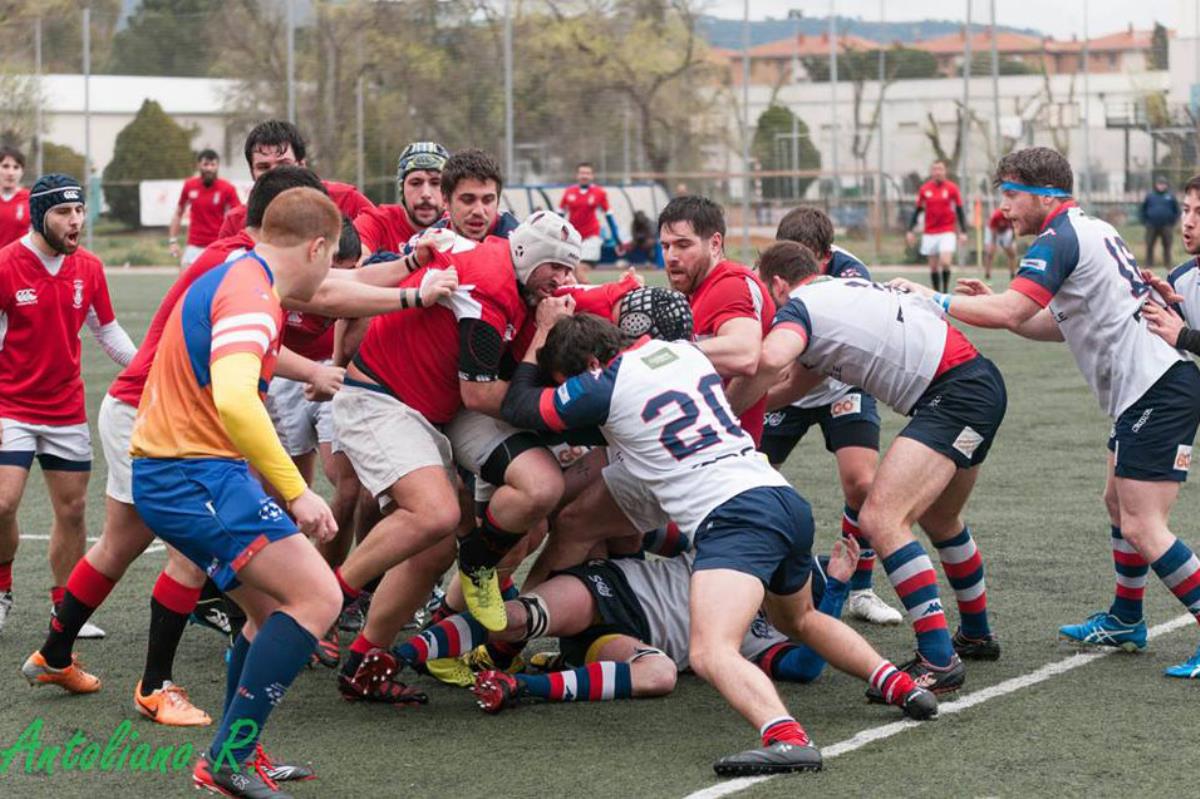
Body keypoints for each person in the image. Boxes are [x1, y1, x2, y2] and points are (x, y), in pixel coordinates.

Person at [496, 300, 937, 776]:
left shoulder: (604, 383)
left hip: (734, 514)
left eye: (569, 379)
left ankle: (786, 737)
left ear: (590, 365)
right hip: (778, 495)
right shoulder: (683, 352)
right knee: (802, 619)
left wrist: (540, 334)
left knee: (709, 650)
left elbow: (519, 406)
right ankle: (899, 686)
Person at [895, 146, 1200, 680]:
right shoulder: (1089, 229)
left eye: (1011, 195)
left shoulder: (1060, 236)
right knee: (1116, 502)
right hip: (1148, 389)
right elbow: (1046, 322)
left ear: (1045, 195)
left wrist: (933, 298)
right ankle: (1128, 618)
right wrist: (996, 305)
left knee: (1143, 523)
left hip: (1158, 388)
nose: (1005, 209)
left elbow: (1016, 309)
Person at [129, 187, 349, 798]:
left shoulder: (240, 274)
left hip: (184, 472)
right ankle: (228, 758)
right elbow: (232, 398)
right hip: (191, 475)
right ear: (317, 245)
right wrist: (295, 492)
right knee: (318, 598)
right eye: (332, 257)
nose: (330, 270)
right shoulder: (253, 294)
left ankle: (235, 753)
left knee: (268, 614)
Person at [746, 240, 1008, 695]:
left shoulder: (801, 306)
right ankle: (976, 633)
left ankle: (938, 658)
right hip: (978, 385)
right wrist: (732, 408)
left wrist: (713, 379)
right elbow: (792, 385)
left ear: (778, 284)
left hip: (954, 396)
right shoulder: (841, 292)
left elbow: (770, 361)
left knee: (881, 517)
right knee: (941, 518)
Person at [330, 214, 571, 701]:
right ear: (528, 257)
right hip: (384, 399)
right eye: (556, 269)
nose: (563, 281)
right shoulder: (494, 285)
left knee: (442, 544)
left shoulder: (511, 274)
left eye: (570, 270)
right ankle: (319, 604)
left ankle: (362, 661)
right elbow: (479, 393)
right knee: (436, 514)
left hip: (427, 410)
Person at [379, 538, 860, 712]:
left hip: (624, 641)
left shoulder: (765, 638)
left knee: (661, 675)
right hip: (611, 588)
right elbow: (651, 529)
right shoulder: (735, 550)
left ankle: (517, 685)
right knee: (514, 621)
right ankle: (393, 658)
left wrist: (836, 591)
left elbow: (805, 667)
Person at [0, 174, 136, 638]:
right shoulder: (6, 265)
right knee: (2, 502)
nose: (76, 220)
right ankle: (2, 590)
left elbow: (107, 331)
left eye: (79, 211)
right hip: (10, 407)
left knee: (74, 511)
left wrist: (148, 367)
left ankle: (67, 612)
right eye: (64, 212)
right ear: (41, 216)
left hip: (65, 409)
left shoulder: (90, 269)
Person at [765, 205, 901, 626]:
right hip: (787, 381)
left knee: (862, 482)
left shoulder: (852, 275)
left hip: (840, 382)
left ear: (825, 257)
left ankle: (860, 588)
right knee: (744, 475)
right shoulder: (767, 275)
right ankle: (748, 577)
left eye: (811, 260)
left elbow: (830, 353)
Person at [216, 120, 375, 238]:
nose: (274, 174)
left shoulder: (347, 200)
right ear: (252, 173)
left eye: (283, 164)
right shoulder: (236, 222)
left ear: (302, 165)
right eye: (263, 167)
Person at [354, 142, 448, 257]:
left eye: (435, 183)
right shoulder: (378, 221)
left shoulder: (460, 225)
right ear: (401, 189)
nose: (425, 194)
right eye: (415, 183)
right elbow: (355, 265)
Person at [169, 149, 242, 267]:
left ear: (217, 166)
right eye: (205, 164)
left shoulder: (227, 188)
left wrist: (236, 243)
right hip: (194, 246)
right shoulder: (189, 185)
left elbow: (238, 216)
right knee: (185, 282)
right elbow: (178, 213)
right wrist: (173, 241)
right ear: (199, 165)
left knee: (218, 284)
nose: (209, 168)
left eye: (213, 164)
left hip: (218, 246)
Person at [906, 160, 967, 292]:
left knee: (945, 262)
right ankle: (936, 293)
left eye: (940, 169)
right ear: (931, 172)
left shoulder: (952, 188)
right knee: (933, 267)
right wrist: (910, 230)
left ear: (945, 171)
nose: (937, 172)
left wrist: (963, 232)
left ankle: (944, 291)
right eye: (935, 169)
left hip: (947, 230)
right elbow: (918, 211)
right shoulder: (925, 189)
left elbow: (959, 210)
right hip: (930, 232)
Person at [559, 162, 621, 280]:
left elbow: (609, 216)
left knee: (579, 269)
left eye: (587, 173)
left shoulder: (599, 193)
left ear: (592, 176)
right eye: (582, 173)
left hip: (592, 238)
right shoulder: (568, 192)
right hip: (574, 238)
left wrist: (617, 239)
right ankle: (584, 296)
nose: (584, 176)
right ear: (577, 175)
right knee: (572, 274)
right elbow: (559, 216)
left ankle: (593, 297)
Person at [1141, 175, 1180, 269]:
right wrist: (1145, 221)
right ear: (1155, 185)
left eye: (1163, 184)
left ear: (1166, 185)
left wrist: (1173, 221)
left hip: (1166, 225)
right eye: (1159, 184)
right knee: (1149, 245)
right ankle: (1148, 263)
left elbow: (1177, 210)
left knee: (1167, 245)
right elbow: (1143, 209)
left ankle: (1168, 263)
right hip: (1151, 225)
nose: (1161, 186)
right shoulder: (1150, 196)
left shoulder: (1170, 196)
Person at [0, 145, 30, 247]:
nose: (10, 173)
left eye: (16, 167)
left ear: (22, 171)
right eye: (5, 166)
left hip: (21, 261)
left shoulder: (31, 199)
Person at [983, 206, 1017, 279]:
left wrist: (1012, 240)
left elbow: (1013, 228)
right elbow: (993, 230)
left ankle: (1012, 274)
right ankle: (987, 274)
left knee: (1012, 253)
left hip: (1005, 231)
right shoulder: (996, 215)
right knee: (990, 253)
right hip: (993, 231)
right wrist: (994, 244)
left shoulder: (1012, 216)